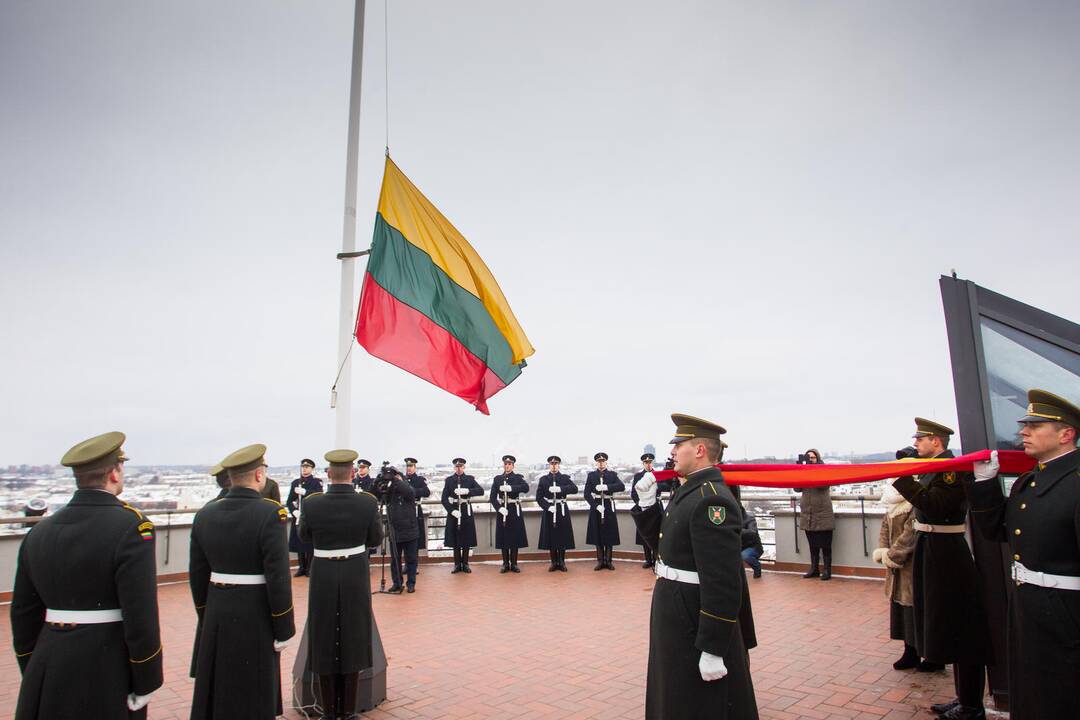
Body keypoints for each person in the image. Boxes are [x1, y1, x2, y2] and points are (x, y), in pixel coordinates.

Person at [11, 431, 163, 719]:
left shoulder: (39, 532)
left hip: (48, 658)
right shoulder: (132, 527)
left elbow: (22, 613)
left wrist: (33, 667)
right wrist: (146, 677)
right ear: (115, 473)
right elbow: (140, 614)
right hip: (106, 663)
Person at [631, 413, 757, 720]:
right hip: (676, 606)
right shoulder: (689, 489)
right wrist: (648, 506)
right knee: (675, 692)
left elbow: (723, 581)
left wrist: (713, 647)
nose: (672, 451)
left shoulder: (711, 500)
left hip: (691, 612)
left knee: (697, 702)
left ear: (699, 450)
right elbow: (666, 548)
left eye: (678, 444)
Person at [967, 389, 1080, 720]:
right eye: (1024, 425)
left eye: (1034, 425)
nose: (1023, 432)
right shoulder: (1029, 481)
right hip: (1028, 607)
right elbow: (996, 531)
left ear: (1066, 434)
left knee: (1062, 695)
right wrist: (985, 483)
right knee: (1031, 690)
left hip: (1066, 614)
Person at [893, 419, 991, 720]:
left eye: (921, 440)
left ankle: (972, 705)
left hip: (946, 551)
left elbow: (934, 505)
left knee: (961, 628)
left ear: (936, 441)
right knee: (949, 625)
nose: (917, 444)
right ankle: (964, 698)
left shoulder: (950, 469)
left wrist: (904, 475)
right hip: (932, 546)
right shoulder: (934, 468)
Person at [189, 443, 295, 720]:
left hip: (217, 609)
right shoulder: (270, 514)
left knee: (218, 684)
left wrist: (206, 613)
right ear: (260, 475)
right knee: (255, 687)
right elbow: (278, 576)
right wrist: (283, 627)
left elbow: (197, 576)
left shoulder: (205, 514)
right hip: (255, 612)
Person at [298, 449, 383, 718]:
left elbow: (304, 536)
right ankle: (347, 711)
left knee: (323, 636)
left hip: (322, 573)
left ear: (329, 474)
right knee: (354, 636)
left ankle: (328, 711)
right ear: (350, 473)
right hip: (355, 573)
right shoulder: (367, 503)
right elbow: (375, 539)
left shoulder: (311, 504)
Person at [188, 461, 230, 680]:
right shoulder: (264, 512)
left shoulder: (205, 513)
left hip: (213, 600)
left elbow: (197, 570)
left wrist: (202, 608)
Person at [872, 477, 918, 670]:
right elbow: (884, 528)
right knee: (902, 609)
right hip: (896, 567)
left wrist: (893, 555)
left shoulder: (914, 501)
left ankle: (925, 652)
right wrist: (883, 551)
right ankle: (910, 650)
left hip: (911, 564)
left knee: (915, 608)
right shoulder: (890, 502)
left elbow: (911, 533)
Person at [795, 448, 835, 580]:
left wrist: (811, 472)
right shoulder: (803, 471)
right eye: (808, 458)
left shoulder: (824, 470)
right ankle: (814, 569)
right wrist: (799, 472)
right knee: (812, 544)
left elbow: (823, 485)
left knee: (825, 544)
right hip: (808, 514)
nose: (810, 460)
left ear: (817, 458)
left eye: (812, 458)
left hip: (823, 513)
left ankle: (827, 570)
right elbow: (797, 488)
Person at [380, 464, 420, 593]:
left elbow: (410, 492)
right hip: (395, 530)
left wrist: (397, 479)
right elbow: (375, 493)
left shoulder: (407, 489)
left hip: (410, 530)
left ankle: (411, 583)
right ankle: (397, 583)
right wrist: (380, 479)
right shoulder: (389, 491)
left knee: (411, 559)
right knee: (395, 560)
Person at [536, 455, 578, 571]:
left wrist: (561, 489)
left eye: (556, 464)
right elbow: (539, 498)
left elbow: (574, 489)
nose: (554, 466)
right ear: (549, 465)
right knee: (551, 536)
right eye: (552, 464)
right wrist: (547, 507)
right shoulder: (544, 479)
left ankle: (562, 562)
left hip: (561, 509)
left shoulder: (564, 478)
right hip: (550, 510)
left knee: (562, 536)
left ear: (558, 465)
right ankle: (554, 562)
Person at [585, 452, 625, 570]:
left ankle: (608, 560)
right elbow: (587, 494)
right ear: (596, 463)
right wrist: (595, 505)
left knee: (609, 532)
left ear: (606, 462)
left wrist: (607, 487)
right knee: (597, 533)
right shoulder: (591, 475)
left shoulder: (612, 475)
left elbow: (621, 486)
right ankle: (600, 561)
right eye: (599, 461)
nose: (601, 463)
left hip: (608, 505)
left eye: (603, 461)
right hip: (597, 505)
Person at [441, 458, 482, 573]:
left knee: (466, 538)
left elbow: (480, 491)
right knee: (455, 539)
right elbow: (443, 499)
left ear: (464, 467)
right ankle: (457, 564)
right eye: (457, 466)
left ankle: (465, 563)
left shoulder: (470, 479)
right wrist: (451, 511)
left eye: (461, 466)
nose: (459, 468)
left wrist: (468, 491)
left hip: (466, 510)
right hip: (454, 511)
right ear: (454, 468)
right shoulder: (449, 480)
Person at [490, 454, 529, 573]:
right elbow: (492, 497)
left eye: (509, 464)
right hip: (503, 509)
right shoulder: (497, 479)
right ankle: (505, 563)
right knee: (504, 537)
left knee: (514, 537)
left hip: (514, 509)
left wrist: (511, 488)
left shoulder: (517, 478)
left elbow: (525, 488)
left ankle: (514, 563)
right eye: (505, 464)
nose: (507, 466)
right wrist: (499, 508)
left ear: (513, 466)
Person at [286, 459, 323, 577]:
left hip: (310, 515)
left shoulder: (317, 482)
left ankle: (309, 568)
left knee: (309, 543)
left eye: (307, 467)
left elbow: (318, 496)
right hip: (298, 516)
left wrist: (305, 491)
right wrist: (294, 511)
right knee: (298, 542)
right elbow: (289, 500)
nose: (304, 469)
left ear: (312, 469)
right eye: (303, 467)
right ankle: (301, 567)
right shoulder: (295, 482)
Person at [632, 453, 665, 568]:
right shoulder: (638, 476)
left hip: (656, 507)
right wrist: (641, 503)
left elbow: (663, 487)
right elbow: (633, 493)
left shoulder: (658, 474)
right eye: (646, 462)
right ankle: (648, 559)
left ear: (652, 463)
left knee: (657, 533)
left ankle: (657, 559)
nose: (648, 464)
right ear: (643, 464)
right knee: (645, 533)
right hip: (643, 508)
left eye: (650, 462)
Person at [404, 458, 430, 553]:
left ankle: (414, 562)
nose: (409, 468)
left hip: (415, 510)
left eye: (411, 466)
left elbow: (426, 492)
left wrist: (412, 491)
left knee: (416, 538)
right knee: (405, 538)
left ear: (415, 467)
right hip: (404, 510)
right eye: (407, 466)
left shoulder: (419, 480)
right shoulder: (402, 479)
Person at [741, 510, 764, 579]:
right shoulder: (732, 519)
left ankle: (757, 567)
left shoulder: (750, 518)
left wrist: (738, 530)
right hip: (740, 546)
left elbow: (752, 531)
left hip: (753, 547)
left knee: (745, 555)